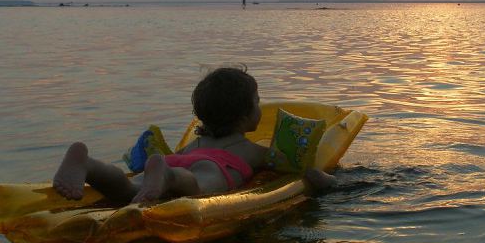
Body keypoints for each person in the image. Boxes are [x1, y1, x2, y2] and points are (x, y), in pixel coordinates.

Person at [53, 67, 335, 204]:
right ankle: (167, 177)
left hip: (175, 158)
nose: (260, 107)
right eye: (257, 102)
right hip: (208, 168)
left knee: (127, 190)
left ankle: (88, 165)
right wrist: (326, 178)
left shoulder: (194, 141)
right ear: (244, 116)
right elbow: (300, 171)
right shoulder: (251, 150)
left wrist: (166, 164)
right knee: (197, 184)